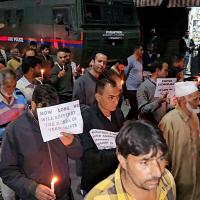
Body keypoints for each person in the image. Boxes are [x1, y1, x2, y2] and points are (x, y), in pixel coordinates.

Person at [0, 84, 83, 200]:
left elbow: (78, 153)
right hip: (33, 197)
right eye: (43, 112)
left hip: (64, 194)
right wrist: (32, 188)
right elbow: (7, 171)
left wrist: (71, 143)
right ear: (33, 104)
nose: (49, 117)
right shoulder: (14, 130)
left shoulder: (62, 120)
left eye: (52, 111)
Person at [85, 120, 176, 200]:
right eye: (144, 162)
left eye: (161, 159)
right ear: (123, 160)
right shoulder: (102, 198)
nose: (158, 172)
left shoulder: (167, 179)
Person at [79, 78, 124, 195]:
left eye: (118, 96)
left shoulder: (118, 114)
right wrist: (119, 152)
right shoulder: (86, 118)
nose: (116, 101)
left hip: (115, 178)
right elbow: (89, 156)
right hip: (95, 181)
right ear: (98, 97)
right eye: (111, 97)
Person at [159, 81, 200, 200]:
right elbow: (162, 158)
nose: (198, 103)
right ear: (182, 100)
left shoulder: (195, 117)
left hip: (196, 185)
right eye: (195, 100)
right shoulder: (169, 122)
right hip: (178, 187)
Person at [0, 68, 27, 200]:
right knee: (8, 186)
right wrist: (9, 129)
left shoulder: (20, 96)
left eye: (13, 86)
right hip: (3, 147)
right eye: (7, 86)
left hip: (21, 145)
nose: (11, 90)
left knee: (23, 181)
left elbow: (27, 117)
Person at [137, 60, 169, 125]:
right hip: (150, 125)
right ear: (157, 70)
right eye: (165, 70)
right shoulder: (144, 87)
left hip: (163, 122)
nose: (167, 73)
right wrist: (158, 102)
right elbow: (143, 110)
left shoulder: (165, 84)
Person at [125, 44, 144, 120]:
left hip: (138, 88)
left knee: (136, 107)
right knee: (134, 107)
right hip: (130, 88)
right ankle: (130, 120)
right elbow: (125, 73)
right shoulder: (130, 60)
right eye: (141, 50)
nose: (143, 52)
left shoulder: (140, 60)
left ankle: (127, 120)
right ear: (136, 50)